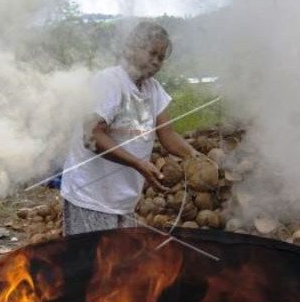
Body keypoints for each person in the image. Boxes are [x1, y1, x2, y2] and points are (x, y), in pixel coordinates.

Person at [60, 21, 200, 236]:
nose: (155, 62)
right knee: (91, 266)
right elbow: (92, 136)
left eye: (161, 58)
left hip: (123, 201)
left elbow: (168, 134)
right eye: (151, 53)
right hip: (90, 198)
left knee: (119, 266)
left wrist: (195, 157)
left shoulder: (154, 90)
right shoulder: (110, 82)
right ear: (132, 48)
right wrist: (137, 164)